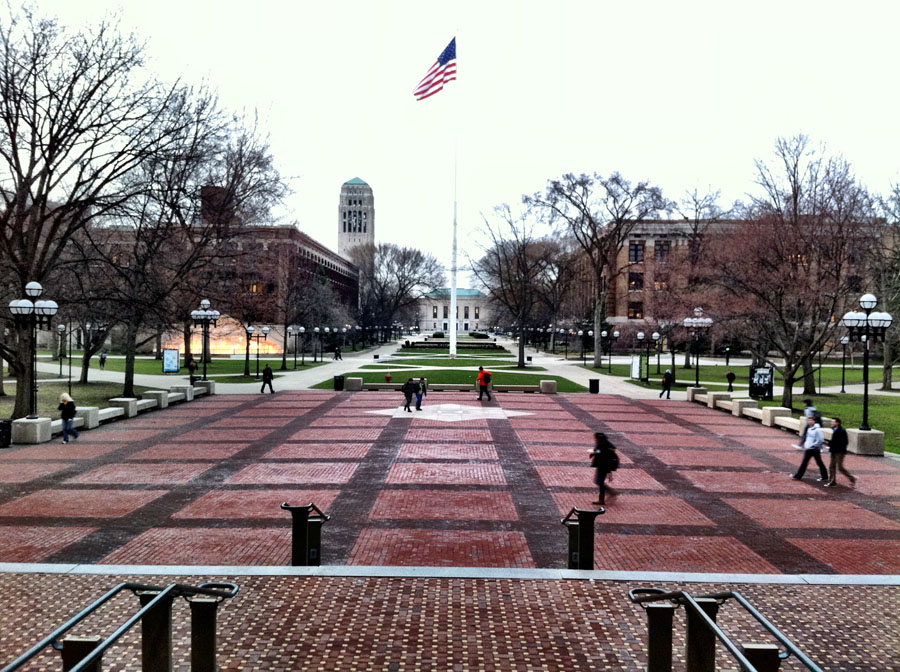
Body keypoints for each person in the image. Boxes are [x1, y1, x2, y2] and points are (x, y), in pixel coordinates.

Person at [790, 415, 828, 482]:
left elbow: (820, 440)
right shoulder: (809, 429)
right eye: (809, 420)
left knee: (807, 462)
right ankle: (825, 476)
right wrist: (806, 445)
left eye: (811, 420)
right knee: (817, 462)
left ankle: (798, 476)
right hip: (810, 449)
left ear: (814, 421)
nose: (810, 422)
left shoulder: (817, 430)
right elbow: (808, 438)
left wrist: (813, 446)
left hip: (814, 449)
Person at [824, 417, 856, 488]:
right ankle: (832, 482)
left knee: (840, 467)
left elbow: (845, 442)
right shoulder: (834, 430)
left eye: (833, 422)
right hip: (834, 451)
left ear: (837, 423)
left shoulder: (842, 431)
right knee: (831, 466)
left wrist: (834, 445)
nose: (831, 423)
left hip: (839, 452)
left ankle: (852, 478)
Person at [590, 432, 619, 505]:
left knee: (599, 482)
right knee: (599, 481)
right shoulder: (604, 444)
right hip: (603, 466)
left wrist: (609, 472)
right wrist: (594, 453)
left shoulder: (603, 446)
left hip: (603, 466)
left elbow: (604, 456)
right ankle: (611, 492)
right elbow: (599, 451)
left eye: (595, 438)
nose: (595, 440)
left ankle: (602, 499)